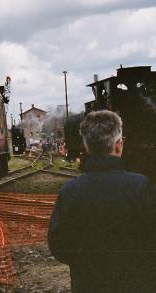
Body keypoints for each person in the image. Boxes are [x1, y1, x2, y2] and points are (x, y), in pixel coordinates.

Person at [48, 110, 156, 292]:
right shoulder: (141, 186)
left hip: (88, 283)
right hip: (137, 283)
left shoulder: (70, 191)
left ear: (87, 147)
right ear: (119, 145)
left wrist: (85, 261)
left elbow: (59, 246)